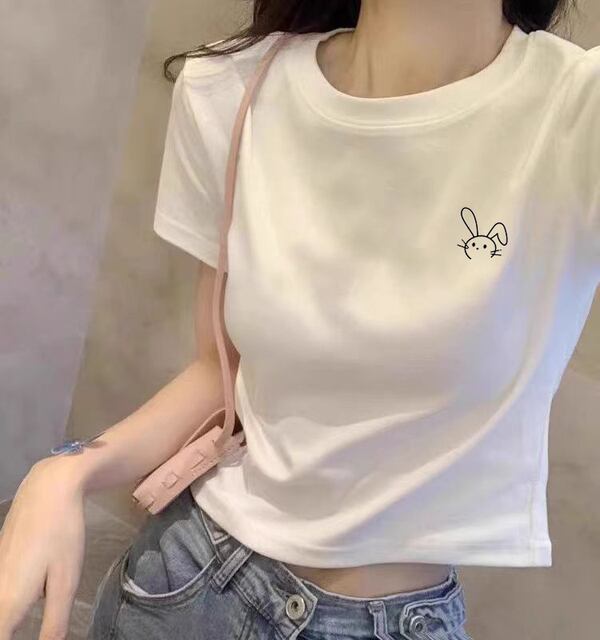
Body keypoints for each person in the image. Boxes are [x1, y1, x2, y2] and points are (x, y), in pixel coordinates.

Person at [1, 0, 598, 638]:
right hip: (185, 584)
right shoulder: (230, 88)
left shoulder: (573, 113)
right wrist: (69, 468)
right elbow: (218, 370)